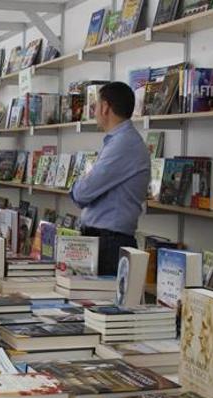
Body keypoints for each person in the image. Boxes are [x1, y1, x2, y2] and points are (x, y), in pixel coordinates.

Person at [69, 81, 150, 276]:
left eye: (96, 105)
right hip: (104, 239)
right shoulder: (119, 141)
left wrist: (77, 188)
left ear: (105, 107)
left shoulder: (124, 144)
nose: (94, 111)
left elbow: (84, 192)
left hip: (110, 242)